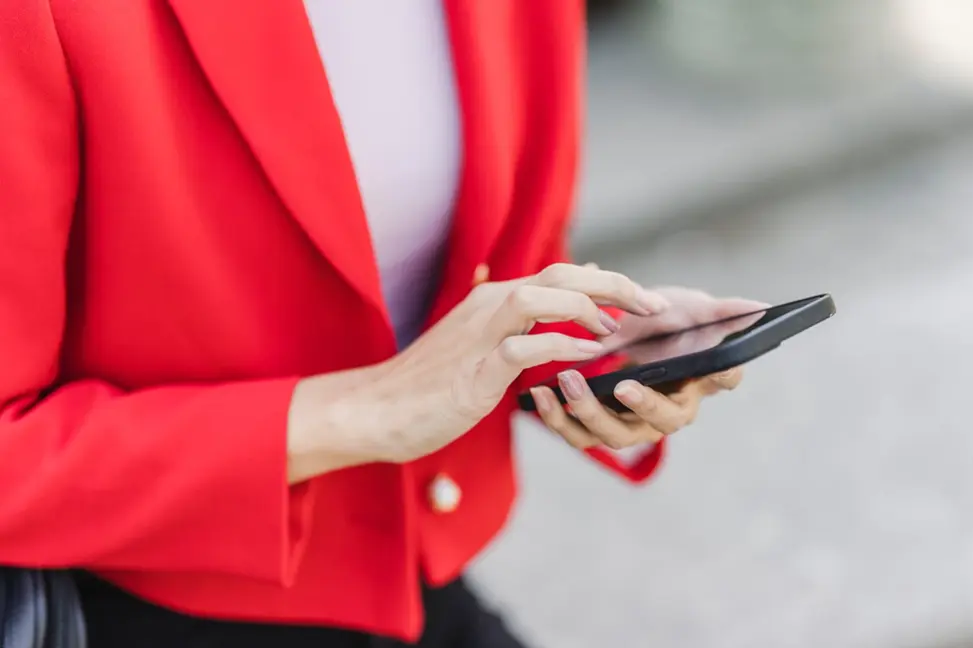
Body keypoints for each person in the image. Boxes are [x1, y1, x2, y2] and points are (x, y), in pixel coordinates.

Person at [0, 1, 763, 646]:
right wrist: (368, 409)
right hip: (128, 592)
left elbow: (487, 268)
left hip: (405, 567)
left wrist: (588, 348)